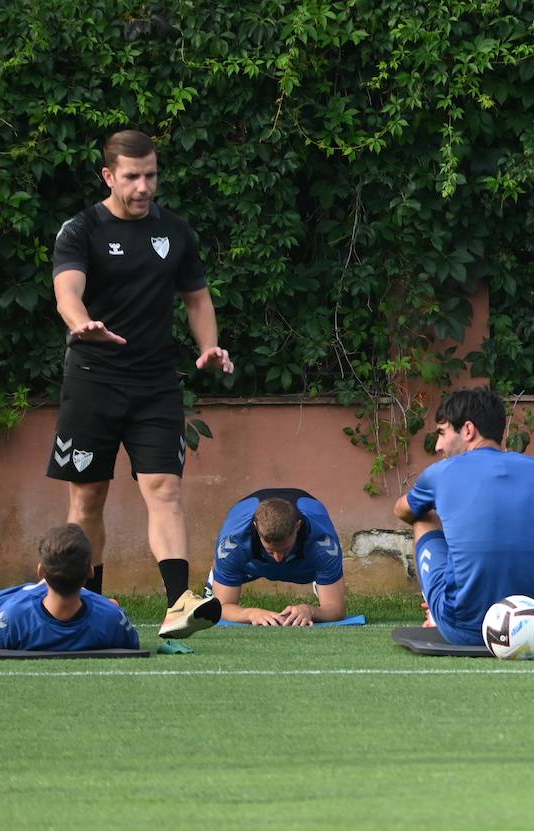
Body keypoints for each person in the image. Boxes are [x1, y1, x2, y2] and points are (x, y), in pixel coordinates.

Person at [47, 129, 233, 639]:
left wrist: (208, 345)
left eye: (150, 174)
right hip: (92, 379)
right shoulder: (80, 228)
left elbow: (197, 298)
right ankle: (87, 606)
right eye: (132, 176)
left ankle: (178, 604)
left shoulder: (174, 232)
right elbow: (68, 288)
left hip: (155, 384)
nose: (143, 185)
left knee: (165, 488)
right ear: (109, 176)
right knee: (88, 498)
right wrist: (80, 322)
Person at [393, 388, 534, 645]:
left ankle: (439, 607)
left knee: (423, 517)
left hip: (464, 629)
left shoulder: (440, 473)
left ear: (468, 430)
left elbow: (402, 510)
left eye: (442, 433)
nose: (438, 445)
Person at [0, 525, 140, 651]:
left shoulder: (13, 619)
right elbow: (132, 641)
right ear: (90, 571)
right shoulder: (112, 619)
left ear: (40, 571)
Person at [207, 489, 347, 626]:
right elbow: (221, 607)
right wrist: (250, 613)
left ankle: (322, 581)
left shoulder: (322, 544)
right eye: (271, 551)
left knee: (327, 577)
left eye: (284, 549)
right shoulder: (234, 543)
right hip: (251, 564)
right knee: (208, 611)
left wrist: (310, 611)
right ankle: (215, 579)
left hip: (304, 566)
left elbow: (336, 609)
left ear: (298, 527)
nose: (278, 558)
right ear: (255, 527)